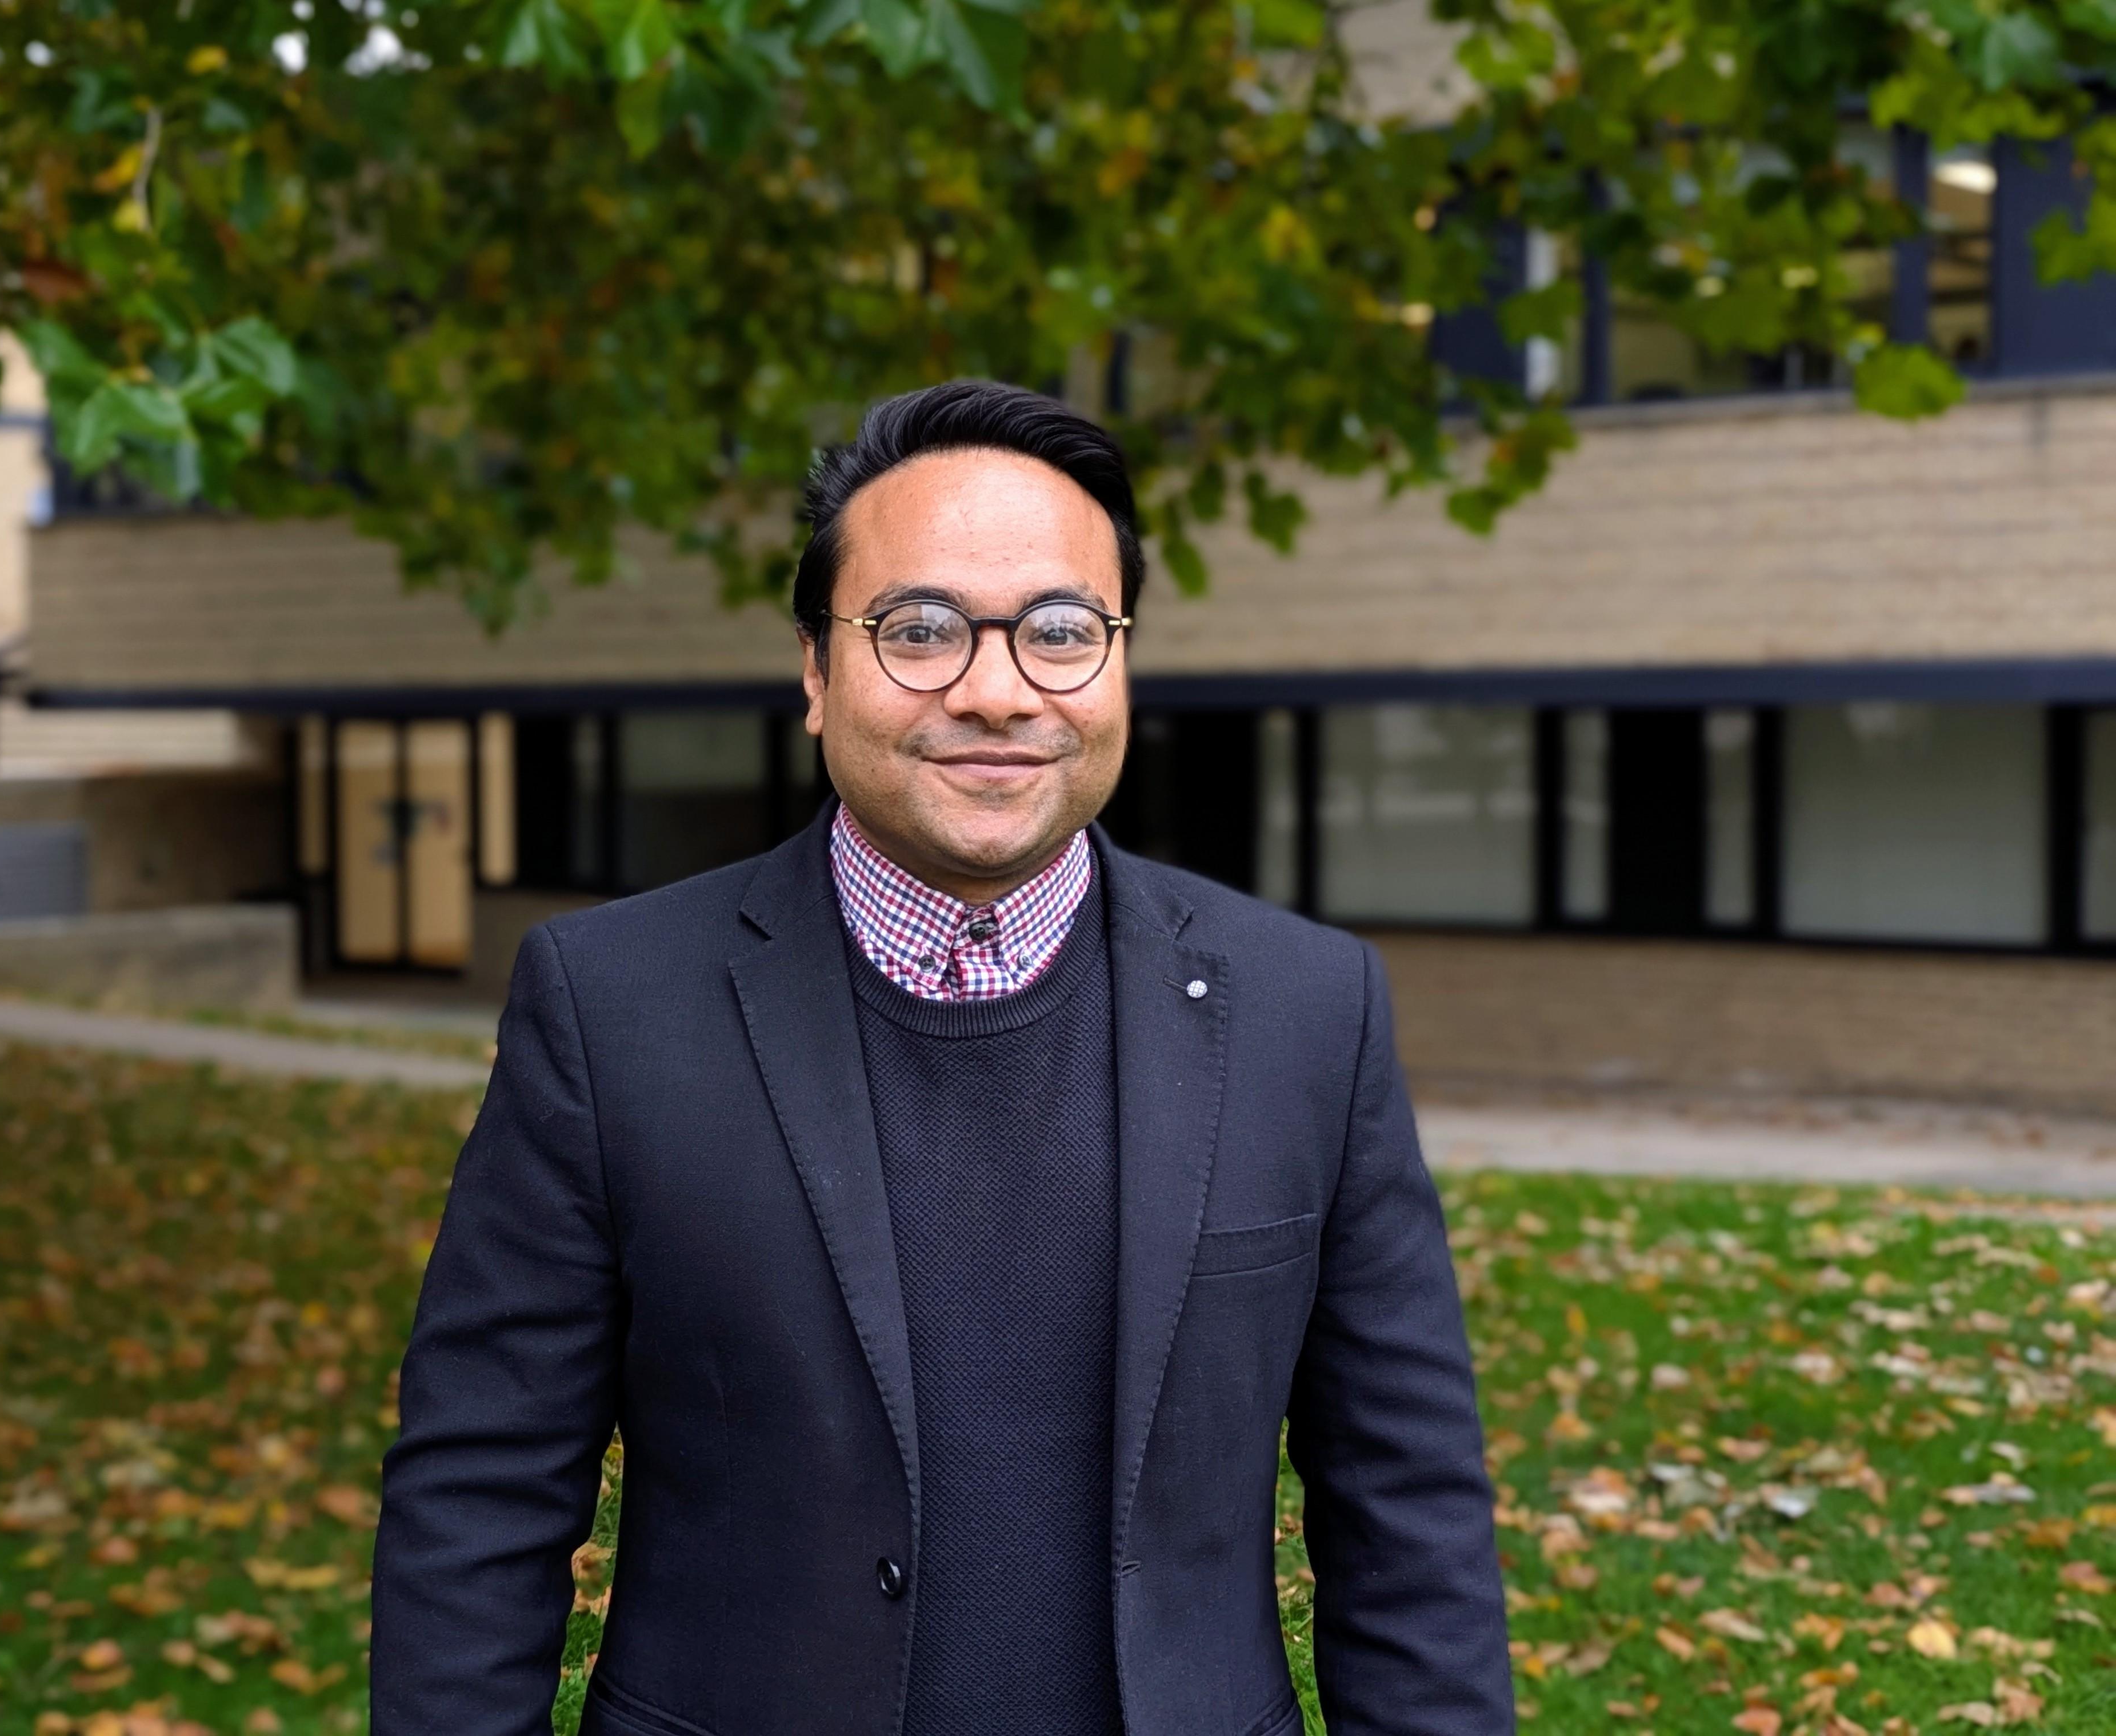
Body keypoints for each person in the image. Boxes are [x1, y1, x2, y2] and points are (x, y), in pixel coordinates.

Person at [370, 379, 1513, 1736]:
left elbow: (1407, 1510)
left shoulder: (1307, 1008)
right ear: (815, 671)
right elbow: (480, 1499)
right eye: (918, 629)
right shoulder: (609, 1005)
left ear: (1119, 660)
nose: (995, 691)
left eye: (1060, 632)